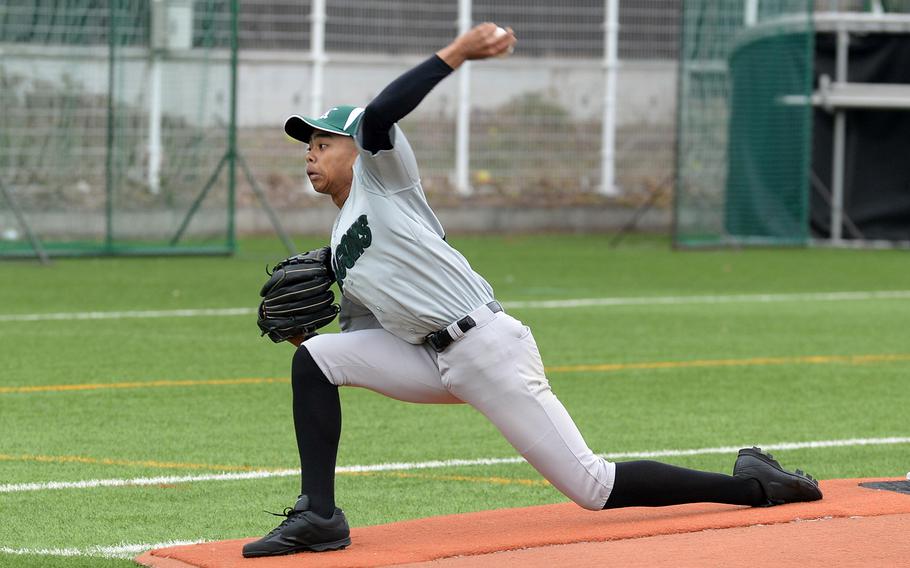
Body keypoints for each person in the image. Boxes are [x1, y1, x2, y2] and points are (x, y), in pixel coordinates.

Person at [242, 23, 822, 558]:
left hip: (485, 348)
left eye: (323, 142)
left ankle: (752, 484)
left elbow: (381, 112)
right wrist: (303, 338)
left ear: (354, 151)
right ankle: (319, 515)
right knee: (318, 361)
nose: (311, 154)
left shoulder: (383, 178)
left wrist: (456, 55)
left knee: (593, 486)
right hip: (428, 358)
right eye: (308, 146)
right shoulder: (342, 240)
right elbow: (367, 334)